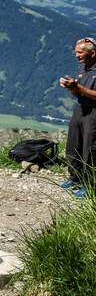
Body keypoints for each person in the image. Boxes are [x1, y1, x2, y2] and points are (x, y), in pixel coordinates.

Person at [59, 37, 96, 198]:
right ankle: (75, 177)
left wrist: (78, 87)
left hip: (94, 111)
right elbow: (78, 93)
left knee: (90, 147)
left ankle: (90, 185)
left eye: (80, 52)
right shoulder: (83, 67)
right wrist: (71, 88)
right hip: (80, 108)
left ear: (92, 53)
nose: (76, 56)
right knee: (73, 143)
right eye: (76, 52)